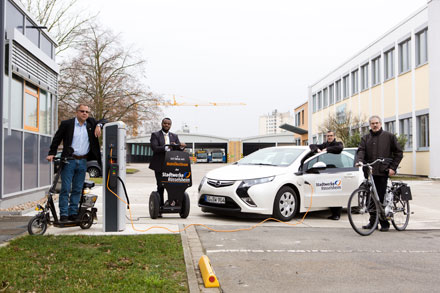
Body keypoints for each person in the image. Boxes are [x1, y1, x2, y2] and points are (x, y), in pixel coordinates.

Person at [47, 104, 106, 222]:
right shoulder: (67, 124)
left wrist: (99, 125)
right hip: (69, 160)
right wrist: (52, 153)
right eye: (82, 111)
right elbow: (57, 139)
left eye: (87, 112)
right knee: (65, 188)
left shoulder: (91, 123)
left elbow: (105, 120)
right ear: (76, 112)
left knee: (78, 189)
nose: (85, 113)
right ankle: (64, 214)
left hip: (83, 161)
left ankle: (73, 213)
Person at [356, 115, 403, 232]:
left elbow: (398, 152)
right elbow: (361, 150)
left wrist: (393, 167)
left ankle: (384, 223)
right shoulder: (365, 138)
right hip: (370, 172)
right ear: (370, 125)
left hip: (383, 171)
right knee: (370, 197)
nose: (375, 125)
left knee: (380, 197)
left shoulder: (389, 137)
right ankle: (373, 223)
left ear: (380, 124)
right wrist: (360, 161)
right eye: (372, 123)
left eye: (377, 123)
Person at [149, 118, 186, 210]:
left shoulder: (174, 136)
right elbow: (155, 148)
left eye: (168, 124)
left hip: (171, 165)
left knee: (173, 185)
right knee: (161, 185)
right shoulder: (155, 135)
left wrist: (181, 147)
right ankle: (160, 206)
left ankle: (172, 203)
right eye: (165, 123)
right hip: (159, 165)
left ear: (170, 125)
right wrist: (167, 147)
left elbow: (178, 149)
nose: (166, 125)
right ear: (162, 124)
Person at [309, 130, 344, 220]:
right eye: (328, 136)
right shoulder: (324, 144)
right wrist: (317, 149)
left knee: (336, 193)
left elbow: (339, 148)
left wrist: (327, 150)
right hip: (327, 171)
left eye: (331, 136)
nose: (329, 137)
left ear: (334, 136)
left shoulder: (338, 144)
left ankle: (337, 214)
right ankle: (333, 213)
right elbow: (311, 145)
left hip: (336, 171)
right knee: (329, 192)